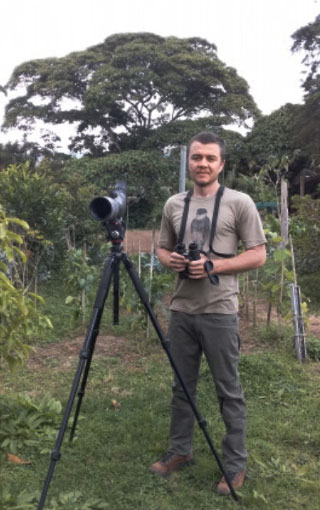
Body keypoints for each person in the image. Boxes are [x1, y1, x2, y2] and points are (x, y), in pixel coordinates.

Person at [150, 131, 266, 495]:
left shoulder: (239, 202)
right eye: (196, 157)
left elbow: (258, 254)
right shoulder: (173, 204)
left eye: (209, 158)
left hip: (219, 311)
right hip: (181, 309)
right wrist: (175, 261)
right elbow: (162, 250)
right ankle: (179, 451)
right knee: (182, 388)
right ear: (189, 161)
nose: (202, 163)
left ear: (221, 165)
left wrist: (214, 265)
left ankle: (234, 465)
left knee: (227, 390)